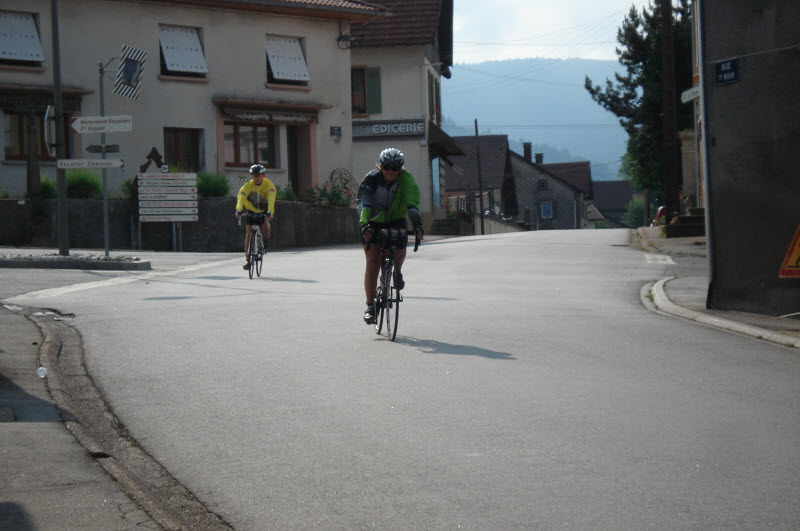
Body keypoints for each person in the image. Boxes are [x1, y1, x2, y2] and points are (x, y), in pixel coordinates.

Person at [357, 147, 424, 324]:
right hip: (373, 220)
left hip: (396, 219)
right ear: (381, 166)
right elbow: (364, 202)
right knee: (372, 260)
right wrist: (364, 224)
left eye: (395, 169)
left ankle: (398, 272)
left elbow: (412, 203)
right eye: (387, 168)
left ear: (400, 168)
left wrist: (417, 225)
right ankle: (370, 306)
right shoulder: (372, 178)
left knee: (400, 247)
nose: (391, 172)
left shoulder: (406, 179)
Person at [235, 163, 276, 269]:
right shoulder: (248, 185)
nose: (256, 178)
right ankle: (247, 260)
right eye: (254, 176)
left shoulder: (268, 185)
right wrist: (239, 209)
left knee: (265, 222)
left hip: (264, 209)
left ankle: (266, 240)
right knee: (248, 233)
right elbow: (241, 195)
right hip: (251, 209)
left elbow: (271, 198)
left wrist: (270, 211)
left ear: (263, 175)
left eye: (258, 176)